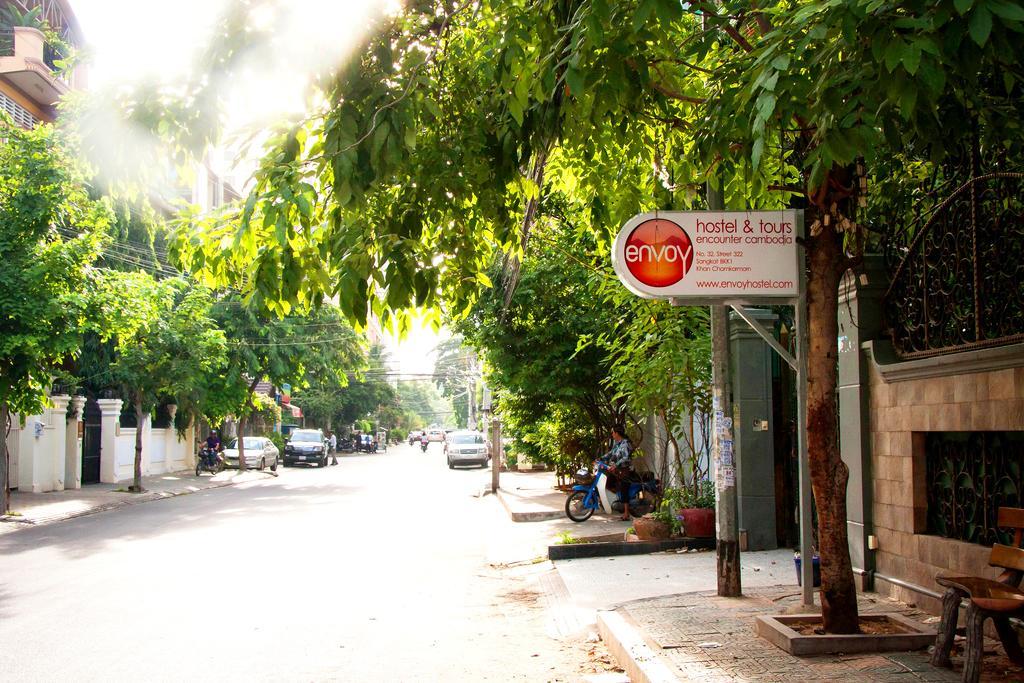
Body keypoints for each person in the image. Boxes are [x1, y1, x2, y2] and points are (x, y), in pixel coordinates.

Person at [599, 424, 634, 520]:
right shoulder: (617, 443)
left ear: (617, 433)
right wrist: (600, 458)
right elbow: (610, 454)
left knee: (624, 489)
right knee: (609, 482)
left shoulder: (625, 443)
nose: (612, 434)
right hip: (617, 470)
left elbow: (626, 458)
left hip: (625, 470)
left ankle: (626, 513)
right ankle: (615, 503)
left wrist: (616, 465)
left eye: (613, 432)